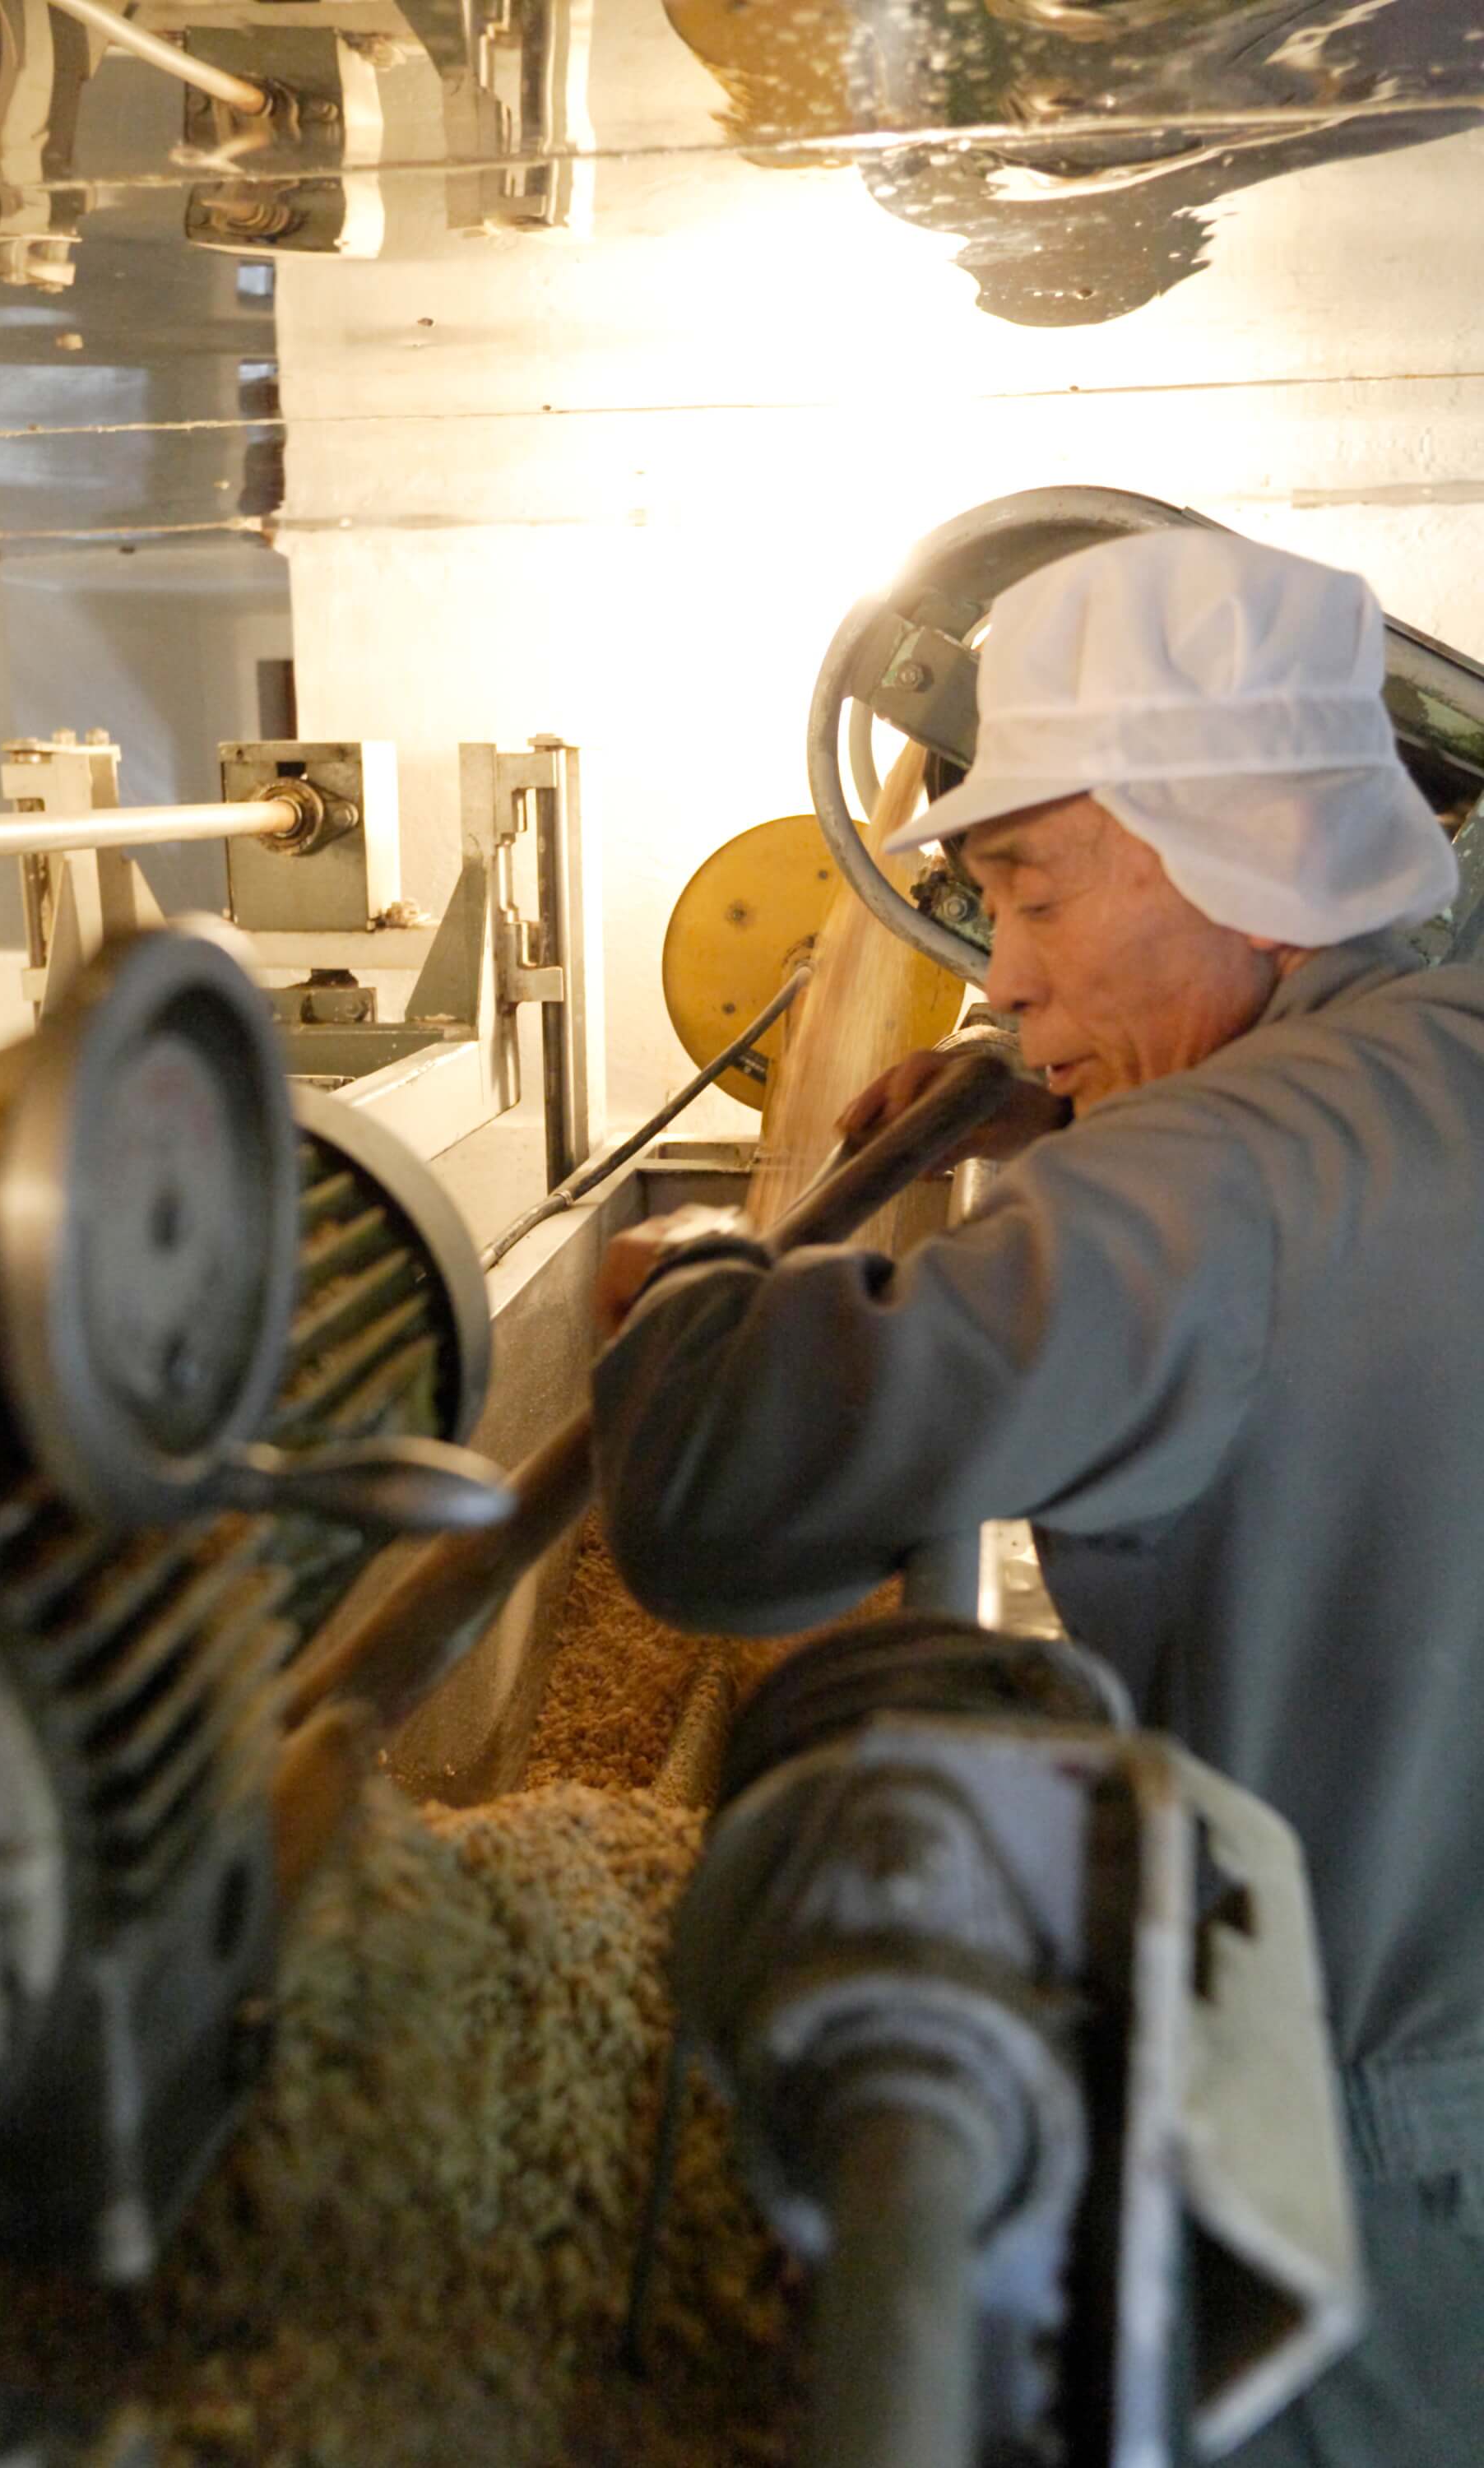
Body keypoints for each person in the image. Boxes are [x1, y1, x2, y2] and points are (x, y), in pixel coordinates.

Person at [591, 527, 1484, 2465]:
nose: (998, 972)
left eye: (1030, 889)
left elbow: (721, 1495)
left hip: (1380, 2167)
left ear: (1231, 853)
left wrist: (697, 1283)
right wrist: (1043, 1097)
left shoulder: (1206, 1188)